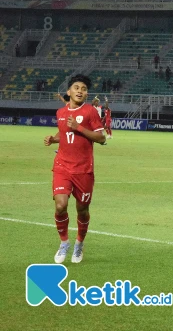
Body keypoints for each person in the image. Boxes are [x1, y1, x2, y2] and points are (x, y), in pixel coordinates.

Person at [43, 75, 106, 264]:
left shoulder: (90, 112)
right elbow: (64, 134)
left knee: (82, 209)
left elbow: (101, 138)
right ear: (68, 92)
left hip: (83, 169)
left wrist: (79, 127)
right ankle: (64, 242)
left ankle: (79, 243)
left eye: (84, 88)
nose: (80, 91)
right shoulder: (60, 112)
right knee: (60, 205)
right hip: (62, 165)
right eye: (76, 87)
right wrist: (54, 139)